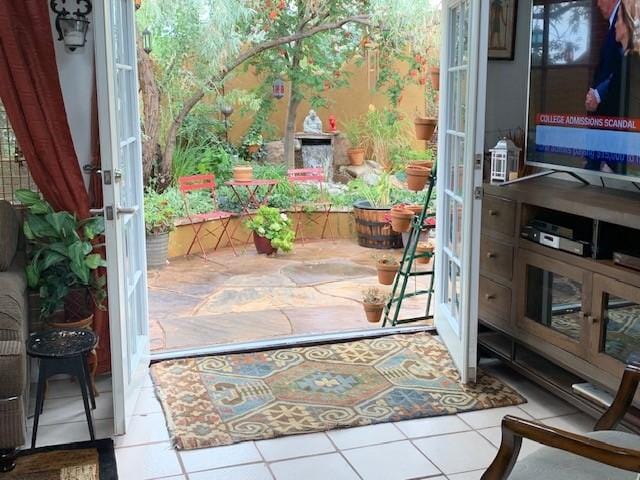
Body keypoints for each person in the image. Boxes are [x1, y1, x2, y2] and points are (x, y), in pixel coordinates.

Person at [585, 0, 624, 116]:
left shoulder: (625, 16)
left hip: (615, 116)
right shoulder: (615, 21)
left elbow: (624, 66)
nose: (598, 4)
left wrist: (598, 94)